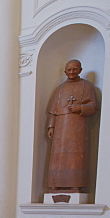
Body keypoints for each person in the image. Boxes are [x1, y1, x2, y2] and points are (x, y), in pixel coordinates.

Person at [45, 59, 99, 192]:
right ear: (65, 71)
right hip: (61, 128)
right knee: (58, 156)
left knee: (75, 155)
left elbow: (93, 106)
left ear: (80, 70)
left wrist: (79, 108)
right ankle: (55, 184)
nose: (71, 72)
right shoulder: (60, 89)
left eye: (74, 69)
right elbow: (53, 111)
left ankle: (76, 183)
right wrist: (51, 127)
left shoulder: (87, 86)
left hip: (77, 126)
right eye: (69, 70)